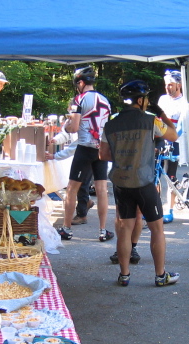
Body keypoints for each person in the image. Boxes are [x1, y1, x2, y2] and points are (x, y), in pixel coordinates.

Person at [100, 80, 179, 287]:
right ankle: (160, 275)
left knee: (125, 228)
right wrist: (161, 113)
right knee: (157, 229)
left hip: (121, 183)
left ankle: (124, 275)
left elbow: (104, 154)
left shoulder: (111, 124)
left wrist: (124, 156)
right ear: (142, 100)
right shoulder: (151, 121)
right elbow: (174, 135)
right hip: (144, 183)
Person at [57, 66, 113, 242]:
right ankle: (103, 231)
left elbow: (73, 127)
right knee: (102, 190)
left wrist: (65, 126)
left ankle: (66, 229)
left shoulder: (79, 99)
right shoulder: (105, 100)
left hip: (85, 147)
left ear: (80, 83)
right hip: (101, 148)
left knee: (72, 189)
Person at [157, 69, 186, 224]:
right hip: (160, 139)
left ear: (179, 85)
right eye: (166, 85)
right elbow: (157, 119)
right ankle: (155, 208)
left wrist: (171, 137)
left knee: (170, 177)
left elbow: (181, 126)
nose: (168, 88)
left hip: (174, 141)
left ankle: (170, 210)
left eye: (171, 85)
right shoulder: (162, 100)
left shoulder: (184, 102)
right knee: (155, 175)